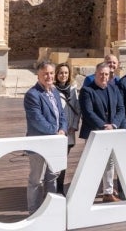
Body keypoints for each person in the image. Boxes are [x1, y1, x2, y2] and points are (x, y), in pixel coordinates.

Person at [24, 61, 68, 215]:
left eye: (51, 73)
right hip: (39, 144)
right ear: (39, 75)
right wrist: (55, 132)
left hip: (54, 142)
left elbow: (62, 114)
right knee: (36, 180)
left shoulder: (55, 91)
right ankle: (34, 212)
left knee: (52, 177)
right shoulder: (32, 95)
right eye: (45, 74)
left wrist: (63, 128)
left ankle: (51, 210)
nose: (49, 76)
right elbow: (37, 119)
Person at [79, 62, 126, 203]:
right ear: (95, 74)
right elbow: (88, 112)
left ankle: (108, 193)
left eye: (106, 74)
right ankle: (87, 192)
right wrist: (103, 125)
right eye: (101, 74)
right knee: (92, 162)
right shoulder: (87, 90)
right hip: (95, 132)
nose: (104, 77)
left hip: (111, 131)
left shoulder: (113, 88)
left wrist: (114, 125)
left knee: (110, 162)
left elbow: (121, 108)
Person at [53, 62, 80, 195]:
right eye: (61, 73)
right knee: (54, 160)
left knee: (63, 160)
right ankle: (51, 187)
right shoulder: (52, 89)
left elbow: (77, 109)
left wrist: (74, 126)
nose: (63, 75)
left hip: (69, 131)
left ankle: (60, 187)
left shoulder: (73, 89)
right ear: (57, 74)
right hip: (56, 131)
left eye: (66, 73)